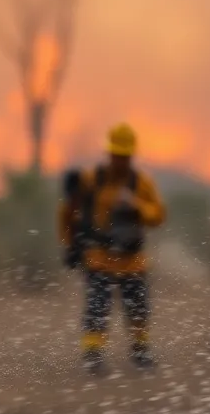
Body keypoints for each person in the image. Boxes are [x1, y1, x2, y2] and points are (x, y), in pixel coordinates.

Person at [58, 123, 166, 373]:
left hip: (132, 258)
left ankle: (140, 351)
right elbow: (68, 211)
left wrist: (136, 205)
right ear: (109, 154)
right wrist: (70, 244)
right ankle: (93, 354)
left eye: (124, 156)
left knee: (138, 305)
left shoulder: (141, 184)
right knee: (97, 304)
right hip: (99, 256)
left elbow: (158, 215)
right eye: (116, 155)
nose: (120, 160)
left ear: (131, 156)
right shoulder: (91, 181)